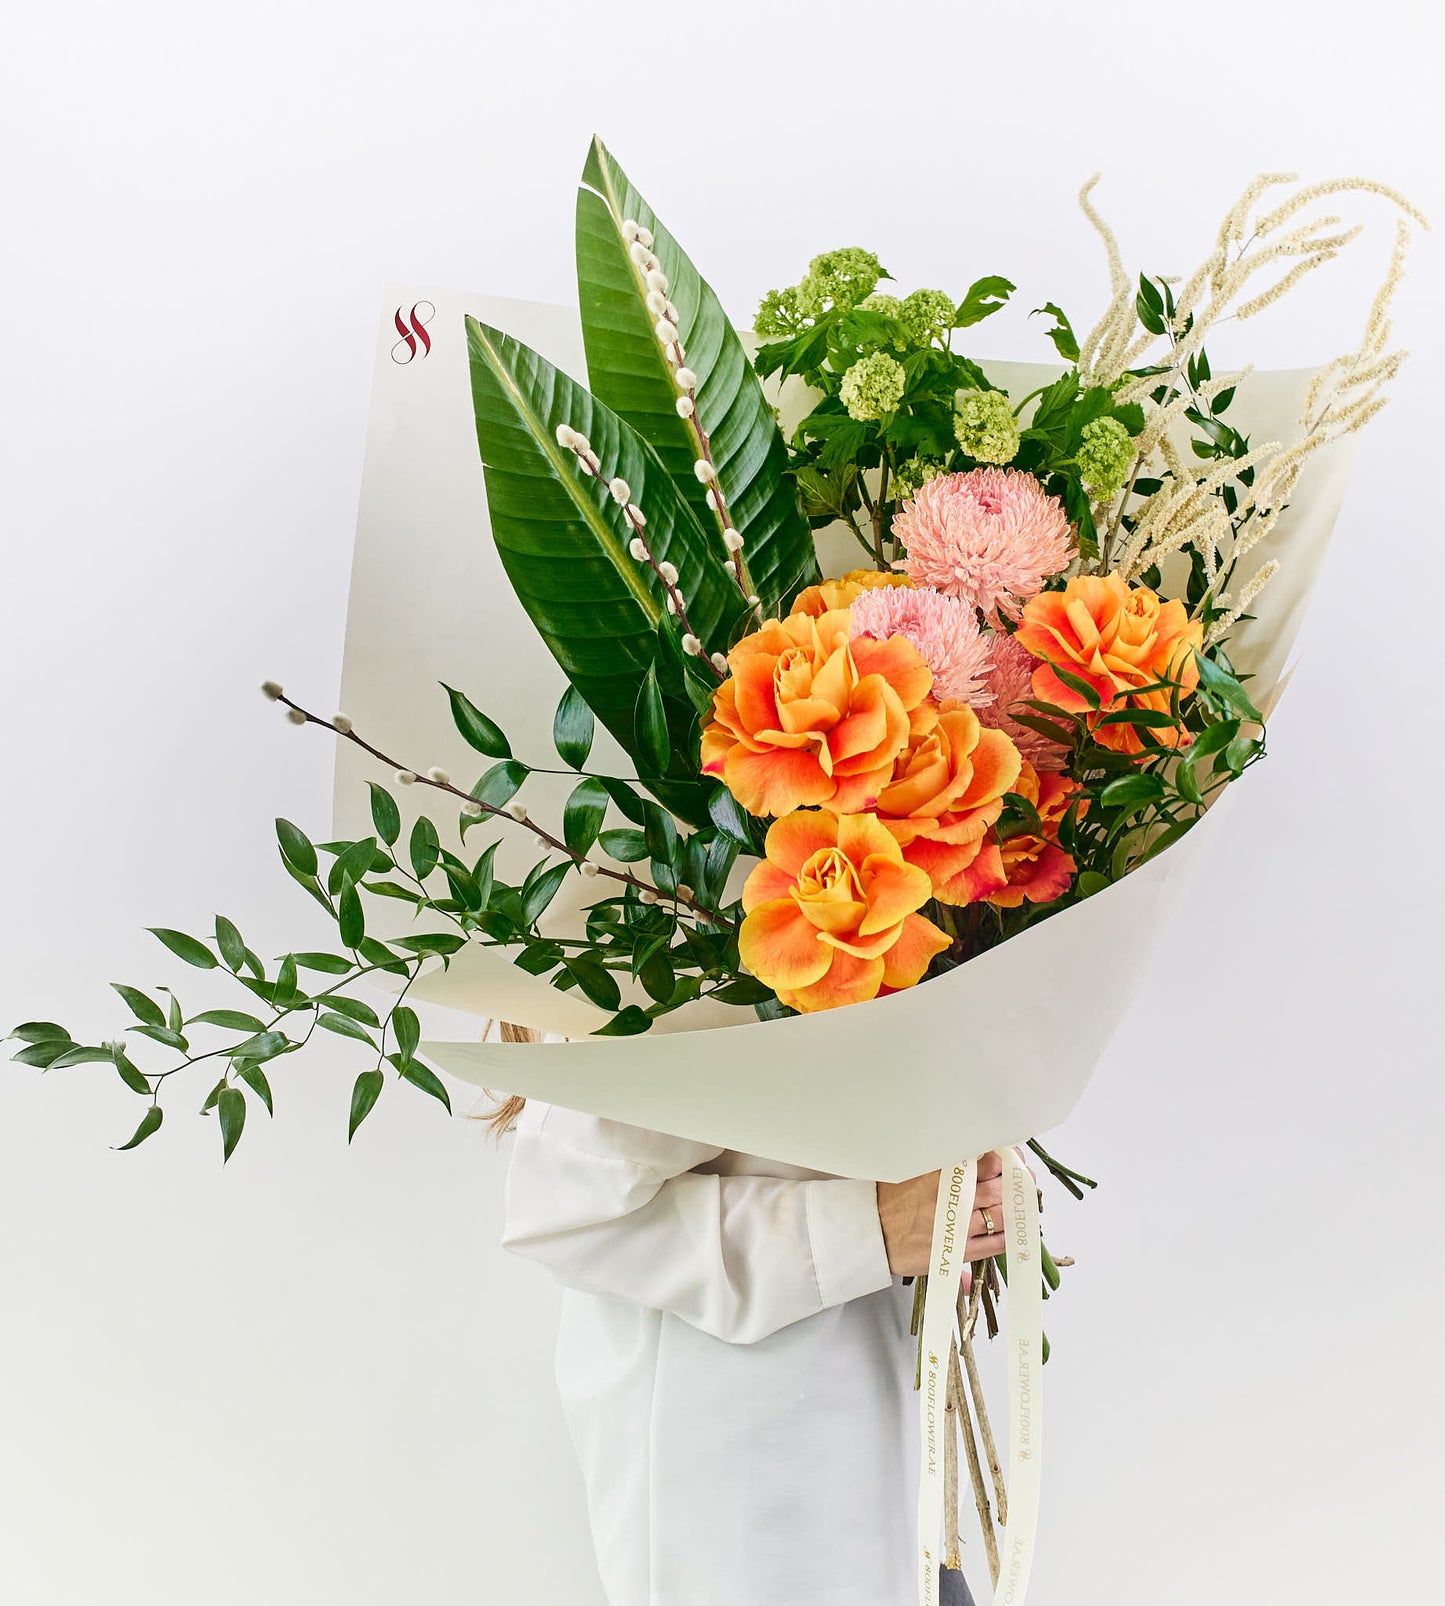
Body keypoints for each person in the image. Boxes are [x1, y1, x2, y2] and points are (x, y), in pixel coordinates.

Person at [494, 1078, 1010, 1606]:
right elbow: (563, 1206)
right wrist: (866, 1225)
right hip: (750, 1518)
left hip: (906, 1485)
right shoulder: (669, 998)